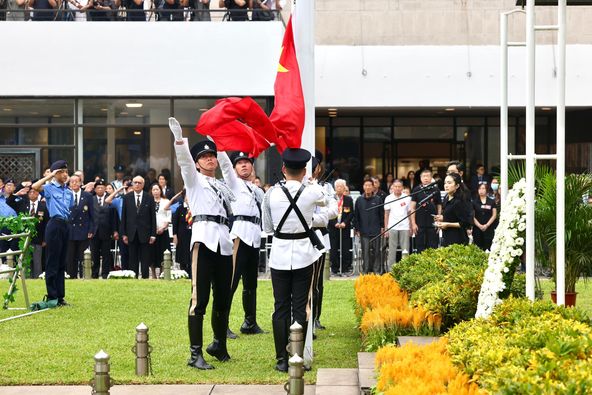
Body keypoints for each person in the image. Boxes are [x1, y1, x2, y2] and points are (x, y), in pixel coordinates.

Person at [169, 117, 234, 370]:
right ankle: (195, 353)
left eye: (212, 155)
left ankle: (219, 344)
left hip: (224, 241)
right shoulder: (194, 180)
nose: (210, 159)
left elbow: (229, 174)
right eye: (205, 157)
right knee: (200, 299)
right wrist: (179, 140)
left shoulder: (221, 184)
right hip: (204, 239)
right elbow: (184, 163)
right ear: (198, 162)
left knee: (223, 298)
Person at [262, 148, 327, 372]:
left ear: (283, 169)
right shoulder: (311, 191)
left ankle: (281, 358)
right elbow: (327, 202)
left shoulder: (271, 193)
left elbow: (267, 226)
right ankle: (297, 356)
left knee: (280, 307)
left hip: (279, 255)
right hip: (303, 255)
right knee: (301, 307)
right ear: (305, 170)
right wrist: (310, 183)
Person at [218, 150, 265, 338]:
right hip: (239, 234)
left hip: (254, 235)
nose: (244, 165)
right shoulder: (233, 183)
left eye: (247, 162)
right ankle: (223, 324)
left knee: (251, 282)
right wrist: (219, 146)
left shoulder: (257, 190)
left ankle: (249, 322)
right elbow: (226, 167)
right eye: (240, 163)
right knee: (231, 281)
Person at [31, 161, 73, 306]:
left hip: (65, 225)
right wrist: (50, 176)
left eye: (66, 171)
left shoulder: (68, 192)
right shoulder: (49, 188)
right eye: (62, 172)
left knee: (62, 262)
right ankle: (52, 295)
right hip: (54, 224)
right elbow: (35, 187)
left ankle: (60, 297)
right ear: (55, 174)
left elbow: (70, 208)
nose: (65, 174)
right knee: (52, 261)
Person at [120, 176, 156, 279]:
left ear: (143, 185)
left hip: (145, 232)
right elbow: (124, 216)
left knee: (145, 257)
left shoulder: (149, 197)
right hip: (131, 233)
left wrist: (153, 234)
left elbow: (153, 217)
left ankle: (144, 277)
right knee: (132, 257)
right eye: (135, 182)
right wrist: (124, 234)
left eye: (139, 183)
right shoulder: (127, 197)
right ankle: (133, 276)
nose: (137, 184)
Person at [66, 174, 96, 279]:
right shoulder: (66, 195)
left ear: (80, 183)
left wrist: (91, 229)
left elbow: (92, 214)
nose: (74, 183)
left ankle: (84, 275)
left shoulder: (87, 196)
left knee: (82, 256)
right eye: (72, 181)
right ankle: (71, 276)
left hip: (83, 230)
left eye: (76, 181)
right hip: (70, 230)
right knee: (70, 256)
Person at [354, 179, 384, 274]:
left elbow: (381, 214)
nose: (367, 187)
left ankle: (376, 271)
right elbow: (356, 216)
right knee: (365, 252)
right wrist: (357, 229)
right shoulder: (359, 200)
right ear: (363, 187)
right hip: (363, 230)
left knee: (376, 252)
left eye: (369, 185)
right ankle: (365, 271)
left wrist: (382, 227)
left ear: (373, 187)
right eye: (366, 185)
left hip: (376, 230)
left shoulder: (378, 199)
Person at [435, 173, 473, 247]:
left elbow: (465, 223)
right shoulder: (446, 198)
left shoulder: (460, 201)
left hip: (458, 239)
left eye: (449, 183)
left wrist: (447, 224)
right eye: (445, 183)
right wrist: (442, 218)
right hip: (446, 237)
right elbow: (452, 216)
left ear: (457, 186)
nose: (446, 185)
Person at [18, 187, 48, 278]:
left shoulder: (43, 206)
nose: (32, 194)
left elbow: (46, 224)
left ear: (38, 194)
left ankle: (37, 278)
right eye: (30, 192)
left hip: (38, 239)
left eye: (34, 192)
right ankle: (26, 278)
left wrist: (45, 239)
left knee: (37, 260)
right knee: (26, 260)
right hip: (25, 238)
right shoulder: (24, 205)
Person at [409, 168, 441, 253]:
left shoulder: (436, 190)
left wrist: (439, 221)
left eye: (427, 176)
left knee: (433, 247)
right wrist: (413, 223)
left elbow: (439, 205)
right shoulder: (416, 189)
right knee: (420, 247)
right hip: (419, 223)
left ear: (431, 178)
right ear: (420, 178)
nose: (426, 178)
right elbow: (412, 207)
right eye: (424, 176)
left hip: (432, 223)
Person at [91, 179, 118, 279]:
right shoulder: (91, 199)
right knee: (94, 254)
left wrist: (115, 231)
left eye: (102, 187)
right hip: (94, 231)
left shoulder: (109, 199)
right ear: (95, 189)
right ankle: (94, 273)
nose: (100, 189)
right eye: (98, 187)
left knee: (106, 254)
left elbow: (113, 217)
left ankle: (105, 273)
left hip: (106, 231)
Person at [328, 179, 354, 275]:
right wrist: (334, 223)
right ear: (335, 188)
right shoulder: (331, 199)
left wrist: (345, 223)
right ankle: (334, 268)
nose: (339, 188)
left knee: (345, 249)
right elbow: (327, 213)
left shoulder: (348, 199)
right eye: (337, 186)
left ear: (344, 188)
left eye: (341, 186)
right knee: (333, 249)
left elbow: (351, 213)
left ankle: (345, 268)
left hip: (344, 228)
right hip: (333, 228)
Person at [384, 179, 411, 270]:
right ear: (392, 187)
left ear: (402, 188)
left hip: (405, 226)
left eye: (399, 186)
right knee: (392, 250)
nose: (397, 188)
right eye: (395, 186)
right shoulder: (388, 198)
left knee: (405, 249)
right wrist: (386, 228)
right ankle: (391, 270)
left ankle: (405, 269)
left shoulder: (407, 198)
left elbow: (409, 213)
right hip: (392, 226)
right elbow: (386, 214)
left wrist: (411, 226)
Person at [151, 183, 171, 279]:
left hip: (163, 231)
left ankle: (163, 273)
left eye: (157, 189)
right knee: (152, 253)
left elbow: (169, 216)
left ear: (160, 190)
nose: (155, 191)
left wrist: (163, 227)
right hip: (152, 232)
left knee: (163, 252)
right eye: (154, 190)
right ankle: (153, 274)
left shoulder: (166, 201)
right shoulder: (149, 201)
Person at [171, 191, 192, 276]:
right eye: (187, 196)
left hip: (193, 234)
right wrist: (175, 235)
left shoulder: (195, 208)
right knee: (182, 254)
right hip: (182, 235)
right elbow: (175, 222)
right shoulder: (180, 209)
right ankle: (184, 272)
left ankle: (191, 272)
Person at [472, 183, 497, 251]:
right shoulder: (474, 202)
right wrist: (479, 225)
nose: (481, 190)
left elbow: (494, 215)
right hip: (477, 228)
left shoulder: (491, 202)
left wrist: (487, 225)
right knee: (478, 248)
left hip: (489, 228)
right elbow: (472, 216)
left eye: (483, 188)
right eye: (479, 188)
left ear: (486, 190)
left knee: (489, 247)